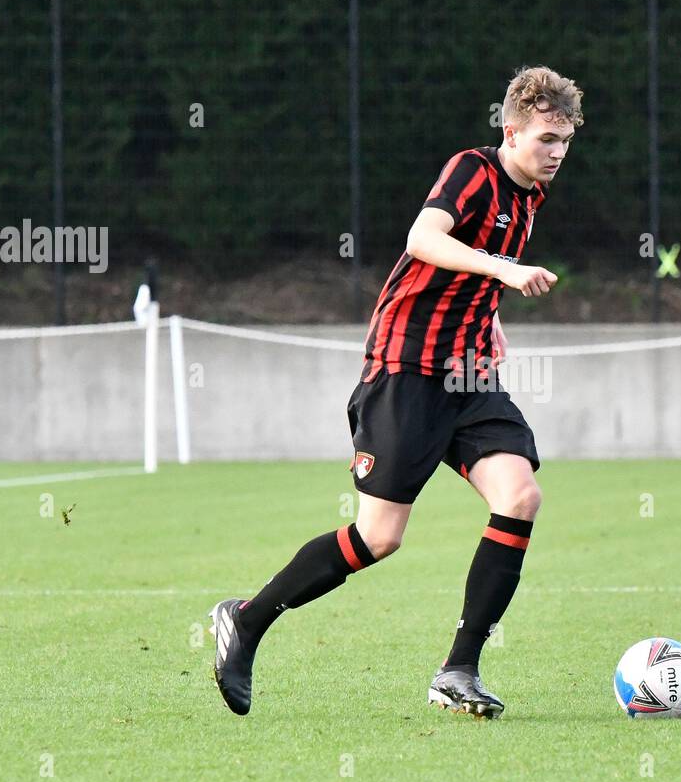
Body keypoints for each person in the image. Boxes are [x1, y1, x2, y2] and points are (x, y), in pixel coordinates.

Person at [211, 65, 583, 719]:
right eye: (545, 139)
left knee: (520, 496)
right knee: (379, 538)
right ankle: (246, 620)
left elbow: (467, 280)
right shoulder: (474, 170)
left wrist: (490, 320)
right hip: (406, 372)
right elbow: (424, 239)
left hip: (467, 377)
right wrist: (504, 270)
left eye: (564, 141)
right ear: (512, 131)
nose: (555, 152)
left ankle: (458, 669)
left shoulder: (531, 196)